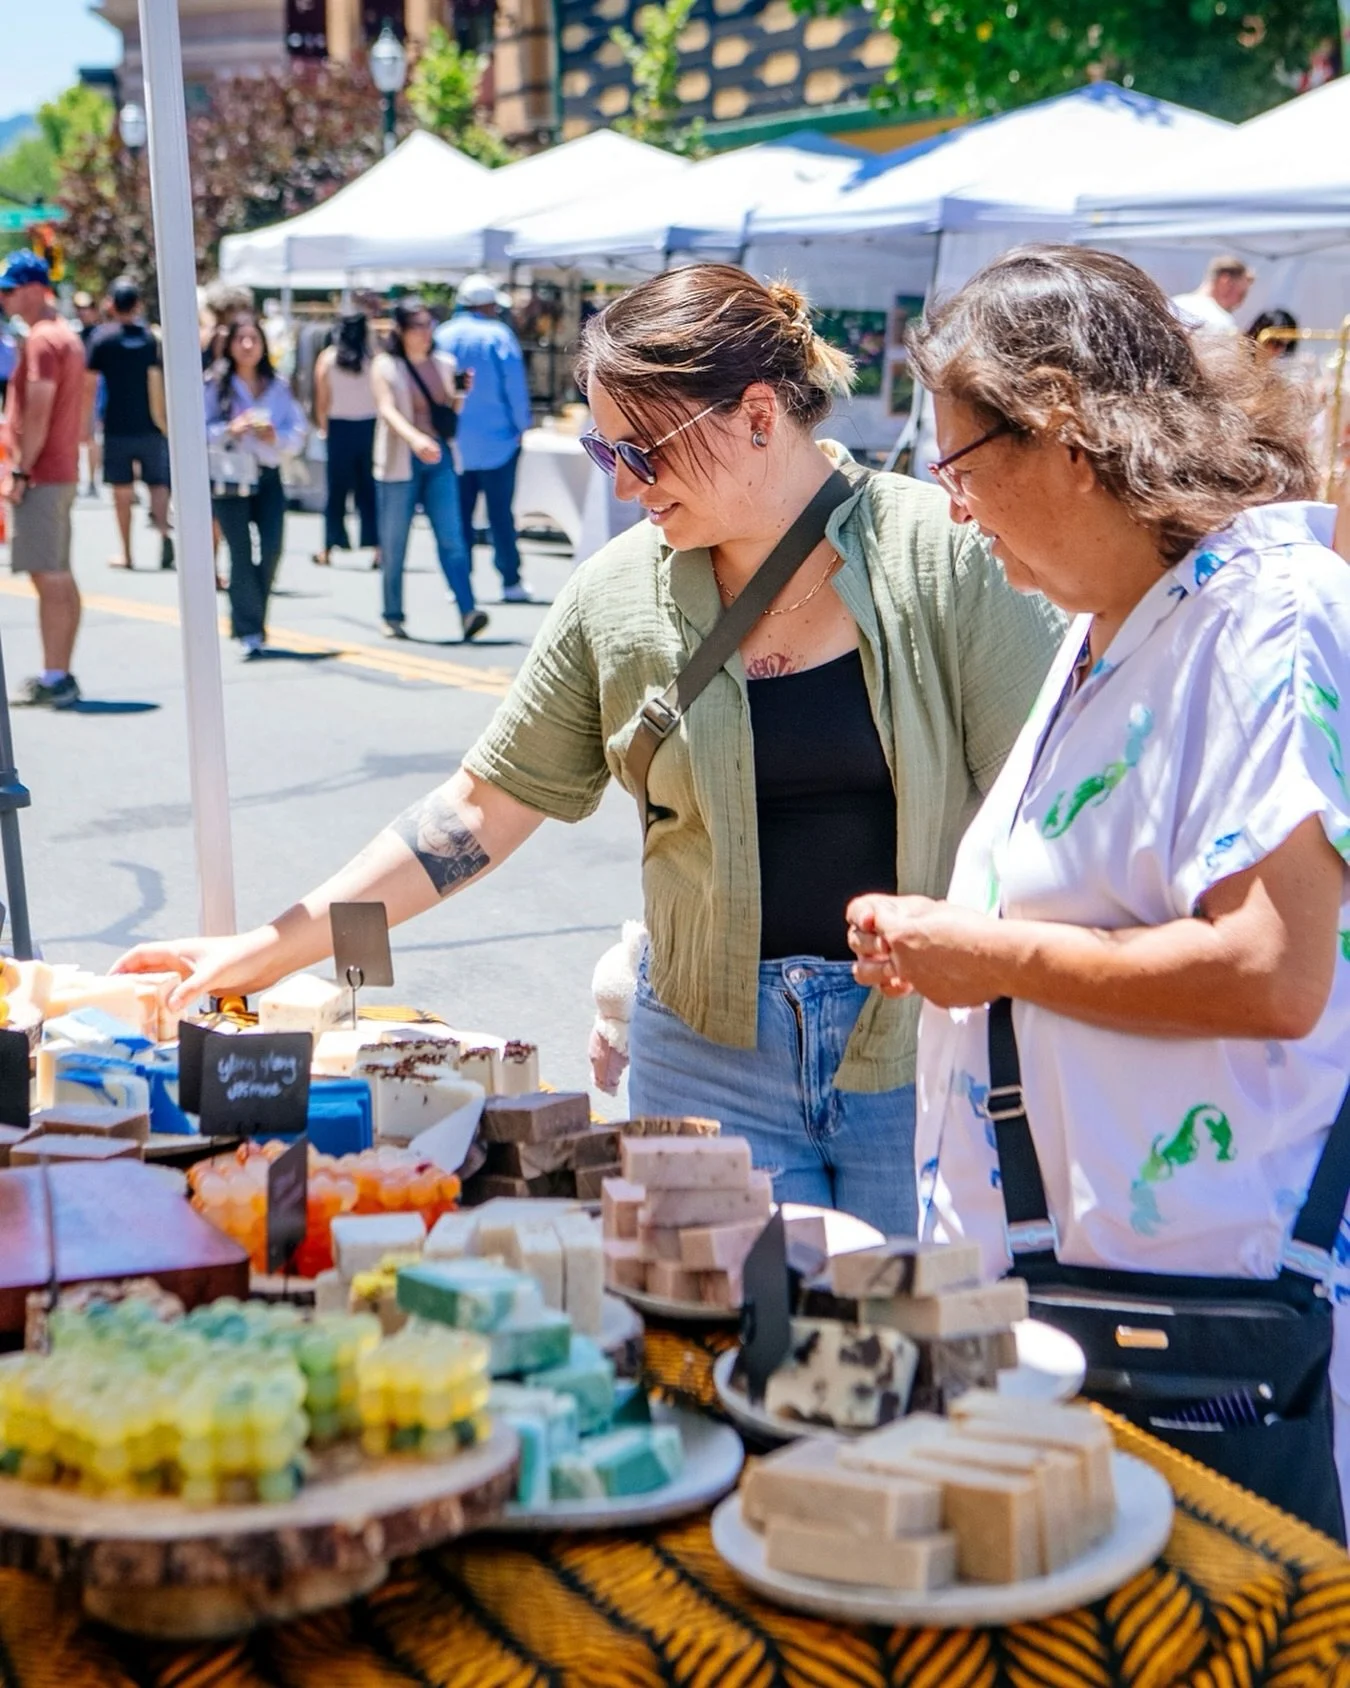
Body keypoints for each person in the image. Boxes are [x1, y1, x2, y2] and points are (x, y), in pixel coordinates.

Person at [114, 264, 1063, 1237]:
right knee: (712, 1316)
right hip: (705, 1057)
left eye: (643, 451)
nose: (620, 483)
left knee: (915, 1323)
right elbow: (477, 812)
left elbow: (1054, 813)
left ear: (758, 414)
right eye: (605, 449)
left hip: (920, 1052)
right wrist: (263, 952)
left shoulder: (944, 555)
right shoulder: (617, 593)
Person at [847, 244, 1350, 1529]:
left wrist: (987, 956)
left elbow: (1273, 971)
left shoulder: (1271, 615)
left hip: (1202, 1331)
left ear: (1066, 432)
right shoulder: (1117, 620)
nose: (958, 512)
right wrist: (958, 942)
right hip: (1082, 1305)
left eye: (962, 468)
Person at [370, 298, 486, 642]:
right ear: (401, 330)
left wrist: (462, 393)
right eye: (417, 326)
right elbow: (387, 410)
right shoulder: (386, 366)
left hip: (439, 457)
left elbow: (450, 412)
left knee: (452, 537)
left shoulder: (444, 363)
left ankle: (467, 610)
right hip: (400, 459)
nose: (425, 332)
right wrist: (415, 438)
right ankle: (392, 614)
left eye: (428, 324)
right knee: (394, 542)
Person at [0, 250, 86, 708]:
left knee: (48, 576)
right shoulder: (63, 335)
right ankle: (59, 671)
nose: (4, 298)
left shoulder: (42, 340)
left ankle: (57, 676)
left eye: (9, 289)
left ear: (35, 288)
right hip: (59, 469)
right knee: (58, 574)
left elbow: (38, 408)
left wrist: (21, 469)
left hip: (42, 473)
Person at [205, 315, 307, 659]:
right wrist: (229, 429)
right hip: (232, 474)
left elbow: (297, 432)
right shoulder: (216, 384)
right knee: (240, 552)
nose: (248, 346)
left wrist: (275, 436)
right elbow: (198, 430)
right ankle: (250, 628)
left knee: (273, 547)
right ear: (230, 345)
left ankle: (251, 616)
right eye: (241, 339)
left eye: (254, 339)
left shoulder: (278, 385)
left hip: (268, 473)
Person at [434, 273, 534, 602]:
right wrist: (522, 426)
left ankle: (459, 584)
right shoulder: (498, 335)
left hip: (454, 442)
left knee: (458, 515)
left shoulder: (441, 334)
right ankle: (510, 580)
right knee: (500, 515)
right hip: (498, 441)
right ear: (488, 305)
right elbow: (514, 387)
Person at [85, 276, 174, 572]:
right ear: (138, 304)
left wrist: (86, 423)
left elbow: (89, 384)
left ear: (111, 304)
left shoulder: (102, 339)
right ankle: (164, 532)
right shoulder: (151, 339)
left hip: (116, 424)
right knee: (158, 483)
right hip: (152, 423)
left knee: (121, 489)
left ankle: (126, 552)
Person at [312, 313, 378, 570]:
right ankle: (378, 549)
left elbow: (322, 398)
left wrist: (324, 426)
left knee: (336, 490)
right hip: (369, 426)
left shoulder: (328, 358)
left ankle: (329, 546)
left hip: (339, 427)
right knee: (369, 490)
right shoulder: (373, 358)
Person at [1171, 254, 1254, 335]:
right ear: (1225, 281)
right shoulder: (1221, 322)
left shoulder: (1172, 305)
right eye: (1241, 294)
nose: (1240, 303)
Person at [72, 289, 103, 495]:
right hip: (77, 391)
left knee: (94, 438)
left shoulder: (99, 335)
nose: (83, 312)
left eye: (87, 307)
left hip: (98, 393)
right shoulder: (75, 335)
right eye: (79, 308)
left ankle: (92, 481)